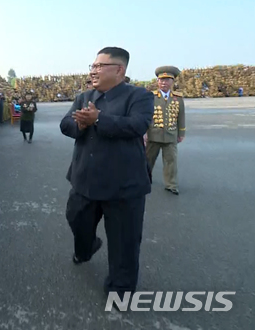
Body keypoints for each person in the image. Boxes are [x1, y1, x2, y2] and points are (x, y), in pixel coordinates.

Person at [59, 47, 153, 303]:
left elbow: (137, 125)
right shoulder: (84, 96)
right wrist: (78, 124)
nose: (93, 71)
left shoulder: (139, 96)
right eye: (93, 66)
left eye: (100, 66)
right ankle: (87, 248)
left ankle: (120, 291)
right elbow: (65, 124)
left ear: (119, 70)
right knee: (76, 220)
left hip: (124, 185)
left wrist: (99, 119)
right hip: (84, 180)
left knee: (124, 242)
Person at [144, 66, 186, 195]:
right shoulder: (151, 97)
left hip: (170, 135)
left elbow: (181, 116)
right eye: (161, 80)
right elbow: (145, 116)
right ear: (157, 82)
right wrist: (144, 132)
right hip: (153, 134)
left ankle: (171, 184)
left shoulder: (178, 98)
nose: (164, 83)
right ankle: (144, 181)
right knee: (148, 160)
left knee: (171, 161)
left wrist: (181, 133)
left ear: (172, 82)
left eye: (167, 80)